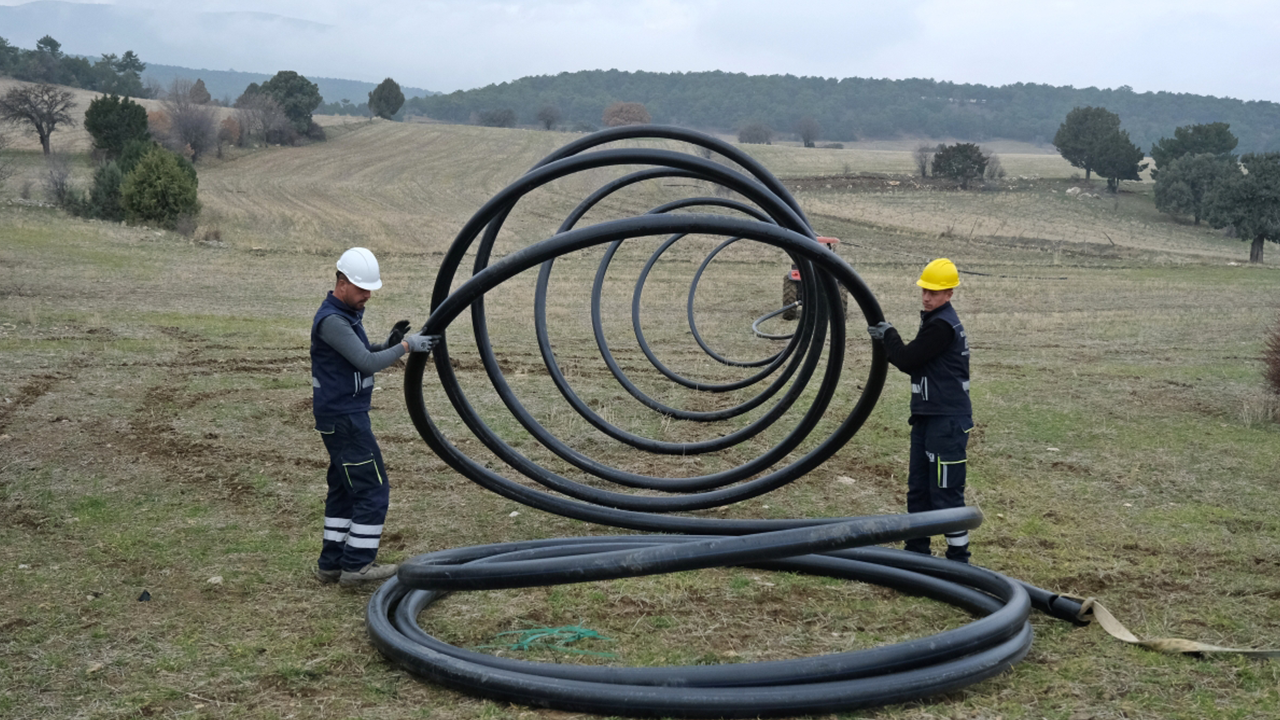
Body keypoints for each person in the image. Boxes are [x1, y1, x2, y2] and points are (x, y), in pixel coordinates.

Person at [310, 247, 436, 586]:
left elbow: (360, 356)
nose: (367, 296)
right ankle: (357, 566)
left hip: (340, 416)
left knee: (343, 488)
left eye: (370, 290)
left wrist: (387, 344)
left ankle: (332, 564)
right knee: (372, 490)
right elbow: (366, 364)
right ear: (341, 283)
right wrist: (406, 347)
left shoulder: (343, 316)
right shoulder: (333, 321)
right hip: (345, 419)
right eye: (362, 289)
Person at [867, 258, 973, 563]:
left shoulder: (941, 325)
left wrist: (889, 336)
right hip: (929, 418)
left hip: (947, 421)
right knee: (919, 489)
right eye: (925, 290)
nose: (927, 297)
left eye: (935, 292)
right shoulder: (933, 321)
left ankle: (959, 559)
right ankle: (916, 552)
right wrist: (891, 345)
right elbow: (914, 361)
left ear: (949, 293)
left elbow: (908, 359)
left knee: (945, 491)